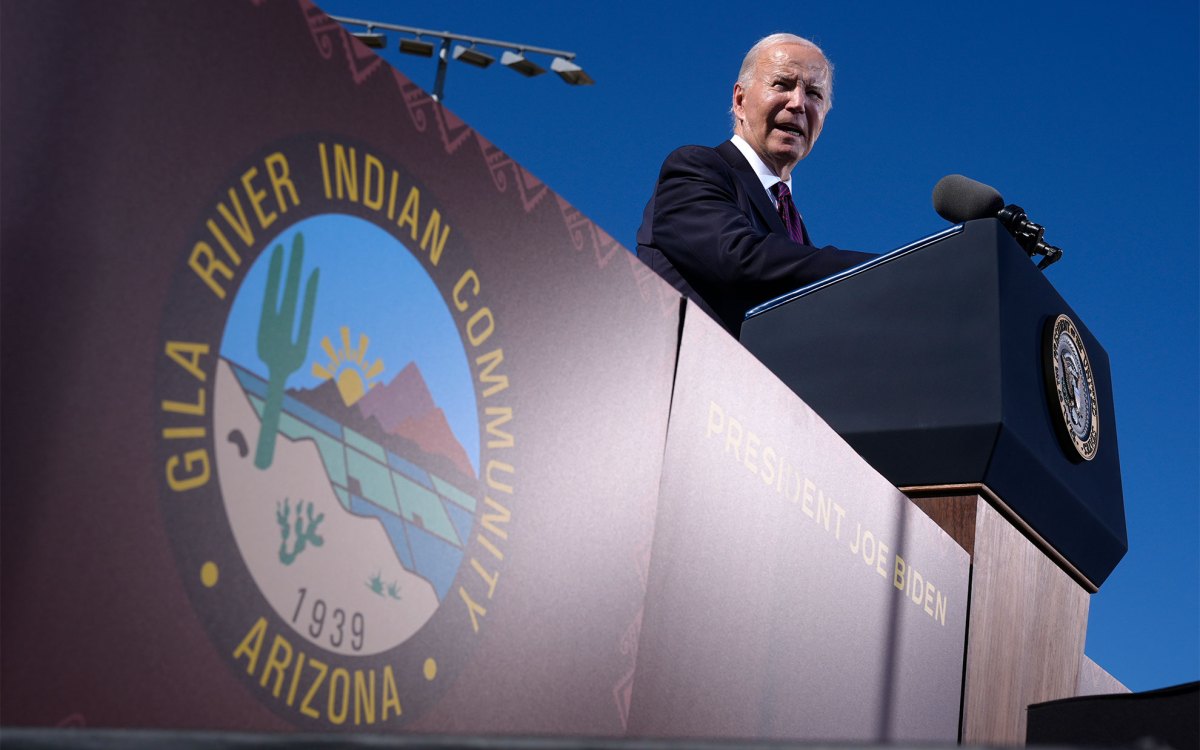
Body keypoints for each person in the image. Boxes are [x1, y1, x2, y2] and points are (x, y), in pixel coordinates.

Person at [636, 33, 875, 337]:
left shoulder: (794, 224)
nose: (798, 103)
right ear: (740, 100)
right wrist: (889, 269)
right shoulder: (695, 168)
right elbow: (739, 259)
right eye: (782, 84)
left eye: (814, 94)